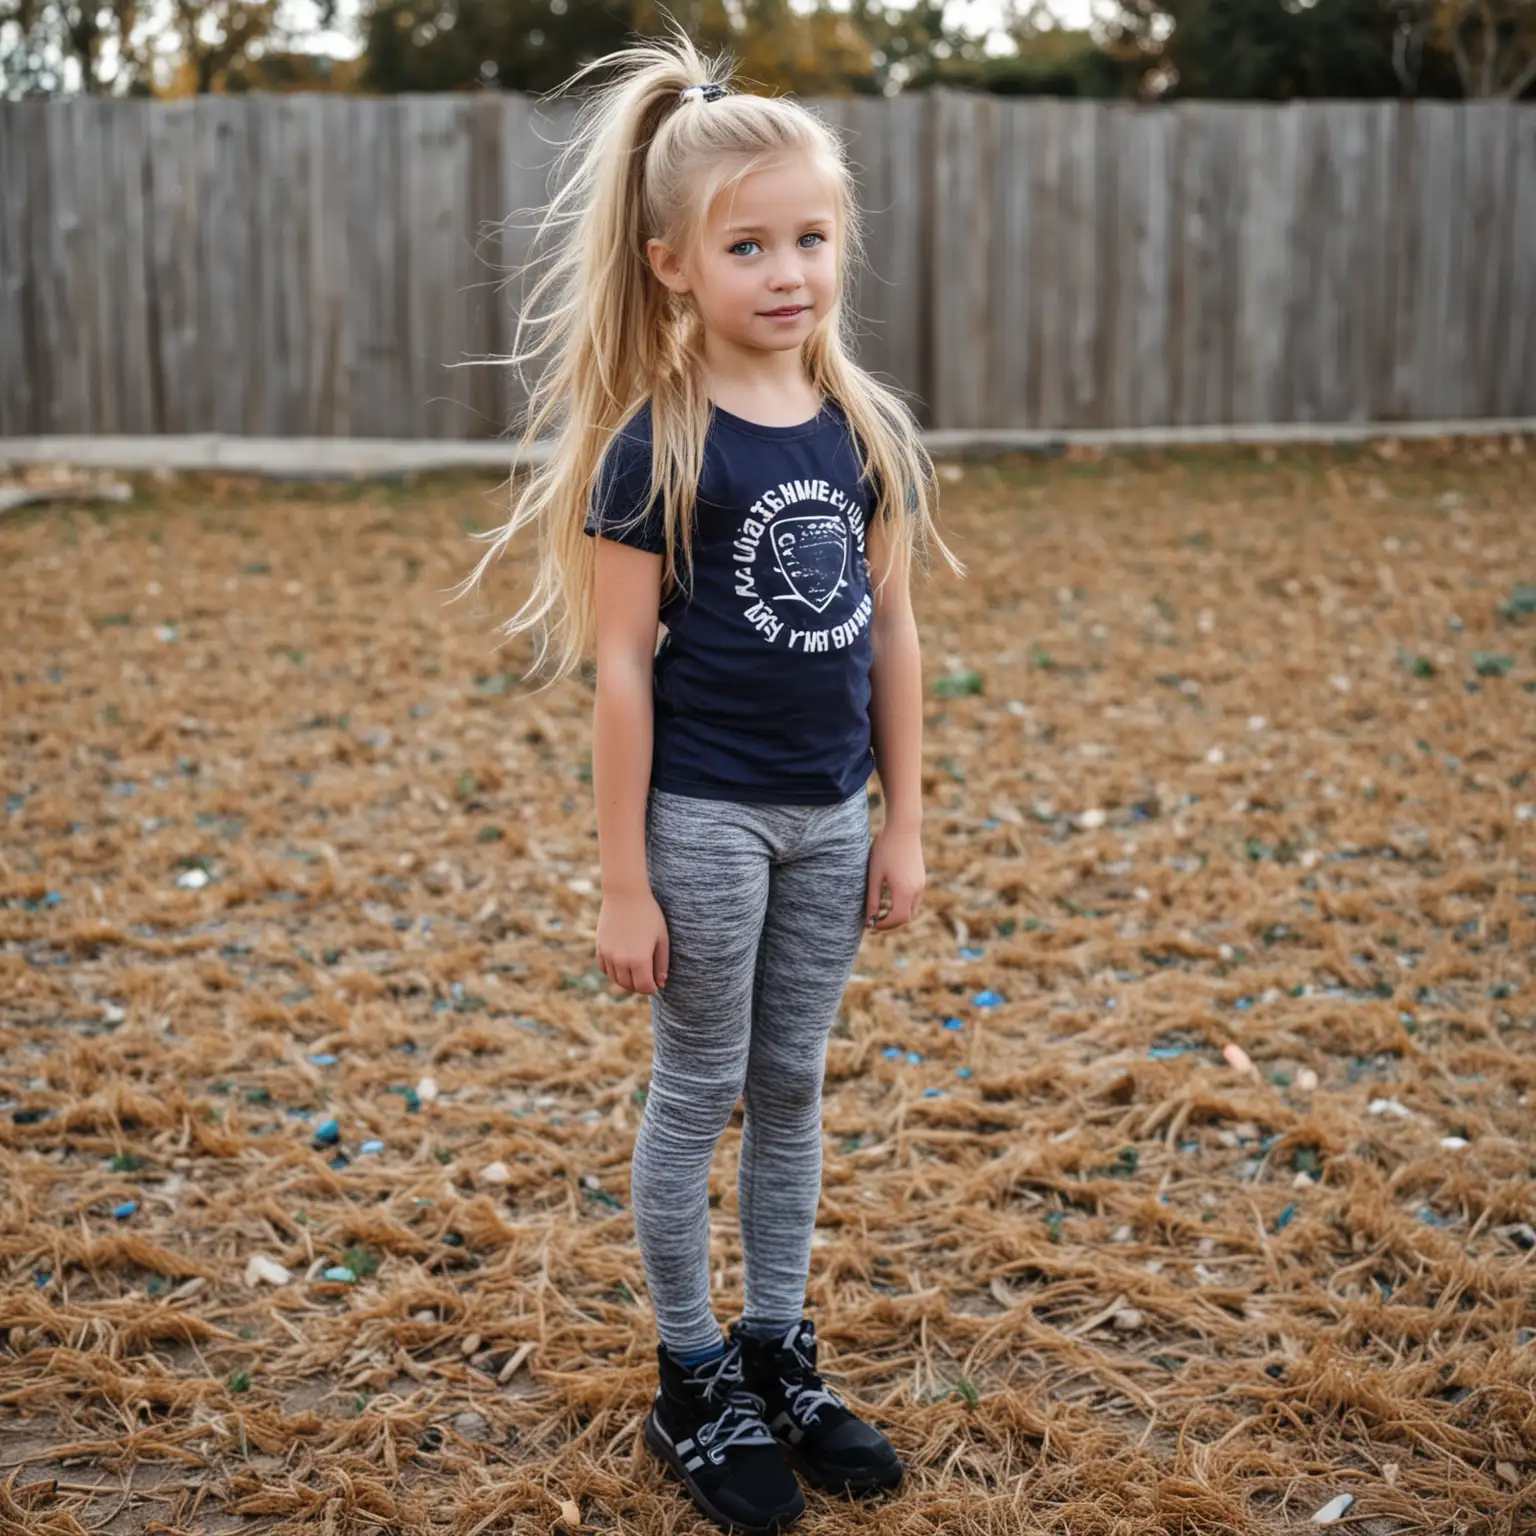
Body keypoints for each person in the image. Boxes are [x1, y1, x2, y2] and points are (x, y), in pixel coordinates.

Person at [456, 26, 960, 1536]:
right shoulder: (654, 447)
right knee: (701, 1089)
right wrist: (623, 877)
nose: (789, 270)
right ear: (675, 263)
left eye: (811, 237)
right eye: (750, 245)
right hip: (708, 820)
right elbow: (617, 672)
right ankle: (693, 1373)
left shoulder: (864, 429)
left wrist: (908, 822)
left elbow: (894, 633)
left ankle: (779, 1350)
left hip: (831, 816)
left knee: (794, 1085)